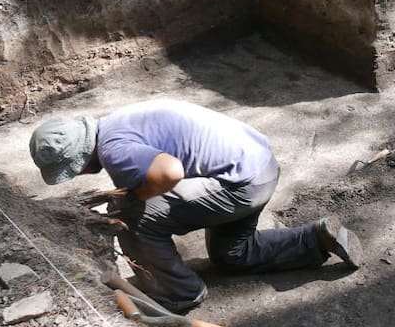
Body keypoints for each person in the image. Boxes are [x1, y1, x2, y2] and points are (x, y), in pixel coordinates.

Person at [28, 99, 361, 312]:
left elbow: (170, 172)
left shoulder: (114, 150)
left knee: (129, 217)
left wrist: (133, 198)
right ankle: (315, 239)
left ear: (81, 158)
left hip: (241, 183)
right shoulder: (118, 122)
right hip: (259, 166)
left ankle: (178, 293)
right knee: (231, 255)